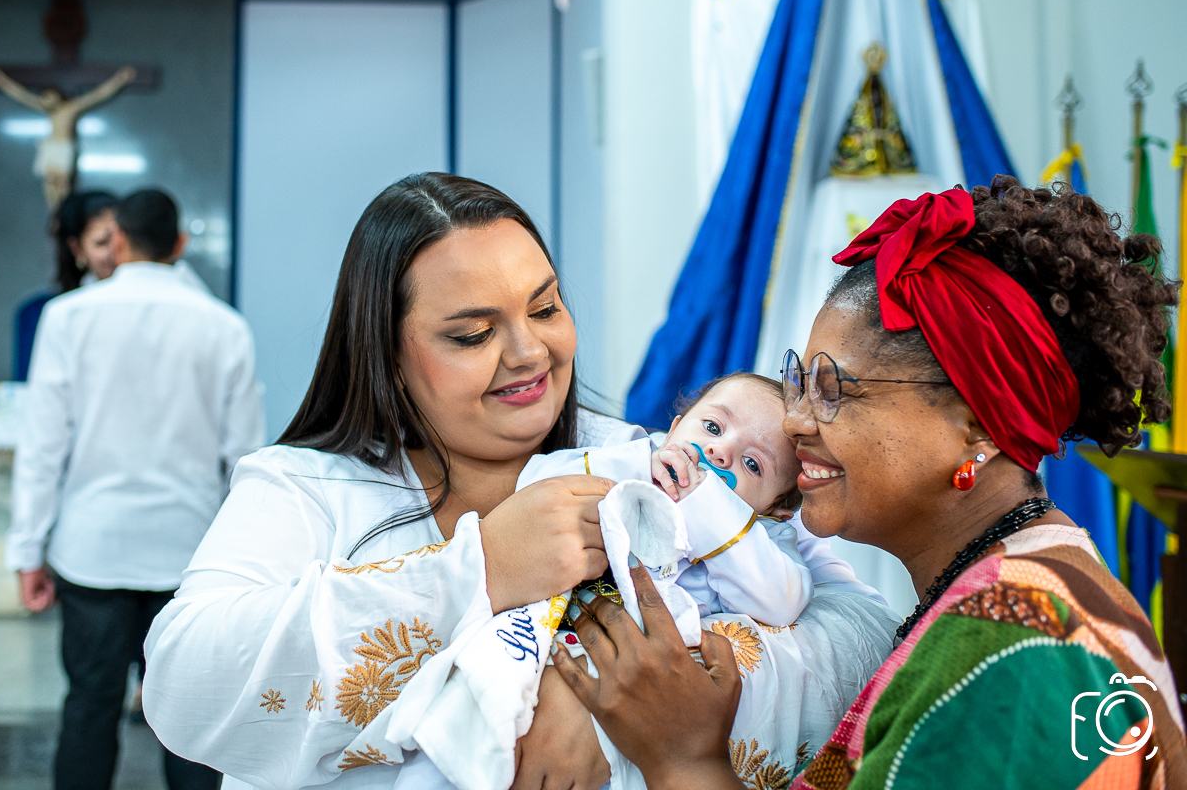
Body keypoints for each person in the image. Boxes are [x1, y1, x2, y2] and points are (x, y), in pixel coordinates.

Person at [141, 173, 898, 790]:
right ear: (386, 352)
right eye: (471, 335)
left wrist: (604, 705)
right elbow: (186, 687)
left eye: (546, 307)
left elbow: (865, 637)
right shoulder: (305, 487)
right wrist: (483, 569)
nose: (530, 351)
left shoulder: (648, 464)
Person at [551, 178, 1187, 789]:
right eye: (798, 380)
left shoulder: (1014, 646)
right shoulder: (1016, 580)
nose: (794, 421)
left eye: (834, 391)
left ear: (976, 431)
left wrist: (683, 760)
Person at [388, 372, 814, 790]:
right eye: (712, 426)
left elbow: (782, 602)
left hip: (630, 682)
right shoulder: (627, 456)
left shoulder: (762, 539)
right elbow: (536, 484)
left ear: (776, 508)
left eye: (753, 464)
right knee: (470, 716)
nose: (720, 452)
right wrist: (634, 470)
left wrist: (712, 509)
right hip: (540, 628)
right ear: (674, 427)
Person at [6, 188, 265, 790]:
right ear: (180, 245)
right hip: (190, 558)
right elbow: (246, 460)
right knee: (192, 720)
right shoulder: (224, 328)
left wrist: (27, 552)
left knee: (89, 708)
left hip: (91, 553)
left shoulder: (67, 317)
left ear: (117, 240)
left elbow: (44, 445)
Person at [0, 65, 136, 209]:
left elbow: (97, 96)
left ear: (58, 95)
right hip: (50, 148)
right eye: (44, 97)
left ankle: (63, 212)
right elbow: (22, 96)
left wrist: (119, 80)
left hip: (64, 148)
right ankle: (54, 213)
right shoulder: (50, 111)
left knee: (63, 187)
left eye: (50, 96)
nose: (47, 100)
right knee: (50, 186)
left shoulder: (71, 108)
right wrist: (1, 80)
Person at [15, 190, 119, 381]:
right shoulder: (43, 313)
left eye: (121, 241)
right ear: (77, 249)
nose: (115, 251)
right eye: (102, 242)